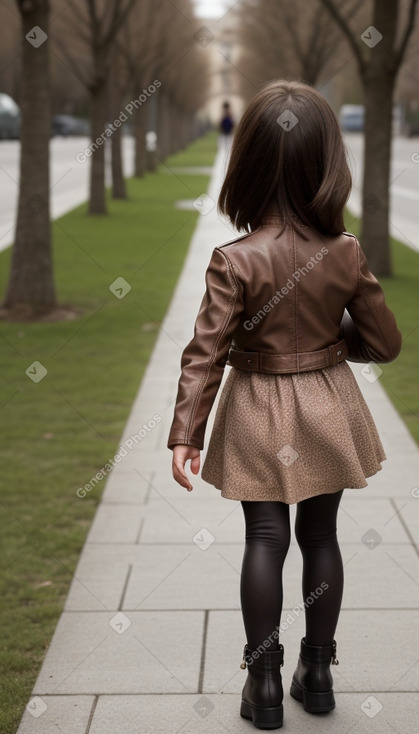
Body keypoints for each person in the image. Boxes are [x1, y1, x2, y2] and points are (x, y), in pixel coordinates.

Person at [167, 79, 402, 730]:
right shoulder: (345, 251)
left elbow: (203, 353)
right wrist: (330, 336)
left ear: (248, 164)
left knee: (264, 538)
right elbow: (384, 343)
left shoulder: (233, 259)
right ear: (327, 162)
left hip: (257, 409)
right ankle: (318, 672)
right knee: (321, 535)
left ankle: (263, 682)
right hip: (328, 402)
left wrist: (185, 430)